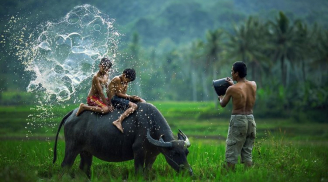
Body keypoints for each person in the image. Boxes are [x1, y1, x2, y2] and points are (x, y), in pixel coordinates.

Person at [218, 61, 257, 171]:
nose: (231, 73)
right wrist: (233, 84)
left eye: (232, 71)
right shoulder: (253, 84)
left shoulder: (232, 89)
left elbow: (223, 104)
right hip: (251, 120)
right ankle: (248, 176)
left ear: (236, 73)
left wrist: (220, 97)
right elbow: (242, 89)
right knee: (247, 152)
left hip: (238, 120)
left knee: (232, 151)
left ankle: (230, 175)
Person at [107, 68, 146, 133]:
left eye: (129, 82)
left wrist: (134, 98)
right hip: (114, 99)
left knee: (142, 101)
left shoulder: (125, 82)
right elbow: (118, 94)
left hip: (119, 98)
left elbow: (124, 94)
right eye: (127, 80)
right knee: (134, 106)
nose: (127, 82)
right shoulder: (117, 79)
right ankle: (118, 121)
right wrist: (130, 97)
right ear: (124, 75)